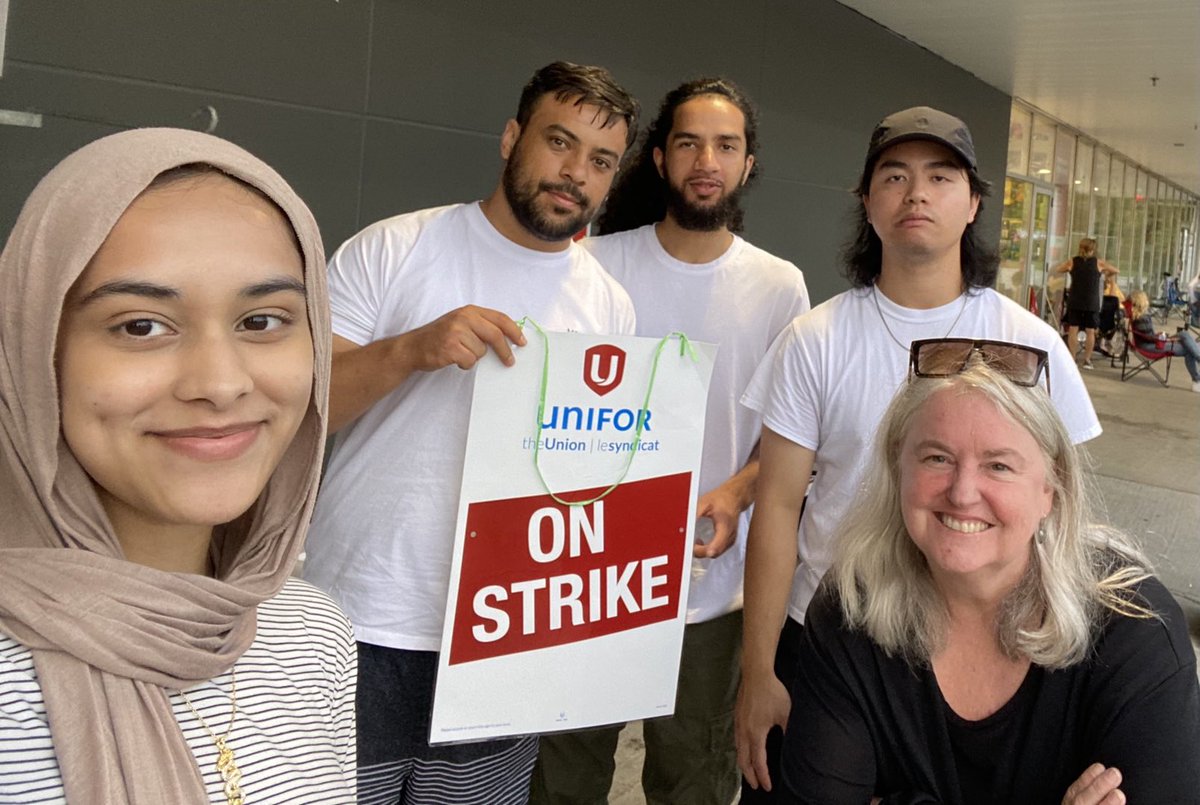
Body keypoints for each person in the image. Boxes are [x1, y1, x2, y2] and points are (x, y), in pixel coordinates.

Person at [734, 106, 1101, 801]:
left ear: (973, 205)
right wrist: (758, 671)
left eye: (941, 175)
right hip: (826, 640)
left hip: (987, 644)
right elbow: (778, 507)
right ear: (867, 202)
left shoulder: (1032, 345)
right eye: (894, 175)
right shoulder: (816, 339)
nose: (917, 193)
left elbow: (1066, 510)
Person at [301, 61, 639, 804]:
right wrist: (410, 350)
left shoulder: (609, 306)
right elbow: (300, 410)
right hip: (360, 618)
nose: (575, 172)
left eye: (600, 160)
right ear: (512, 137)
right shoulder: (395, 248)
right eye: (559, 141)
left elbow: (591, 482)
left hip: (503, 636)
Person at [0, 129, 356, 803]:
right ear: (32, 349)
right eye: (141, 325)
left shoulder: (314, 633)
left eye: (262, 320)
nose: (219, 384)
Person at [529, 78, 810, 805]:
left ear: (748, 165)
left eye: (726, 145)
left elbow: (790, 442)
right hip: (589, 578)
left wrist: (736, 491)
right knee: (563, 775)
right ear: (658, 158)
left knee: (694, 781)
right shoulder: (594, 264)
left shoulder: (780, 288)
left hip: (711, 594)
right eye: (688, 142)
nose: (706, 159)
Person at [780, 346, 1200, 803]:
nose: (962, 493)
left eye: (998, 465)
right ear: (898, 465)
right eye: (937, 458)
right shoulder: (849, 609)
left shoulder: (1134, 625)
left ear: (1050, 490)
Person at [1053, 238, 1119, 369]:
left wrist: (1069, 269)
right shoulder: (1098, 263)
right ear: (1093, 249)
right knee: (1090, 331)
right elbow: (1116, 270)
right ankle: (1087, 360)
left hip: (1075, 299)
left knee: (1073, 328)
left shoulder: (1073, 261)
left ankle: (1072, 358)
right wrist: (1106, 274)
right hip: (1091, 300)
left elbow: (1059, 269)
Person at [1130, 290, 1200, 392]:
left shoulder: (1139, 317)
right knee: (1188, 348)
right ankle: (1197, 380)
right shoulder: (1143, 318)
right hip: (1150, 347)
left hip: (1152, 343)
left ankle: (1197, 378)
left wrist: (1162, 336)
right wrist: (1164, 338)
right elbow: (1150, 339)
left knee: (1184, 335)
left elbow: (1149, 336)